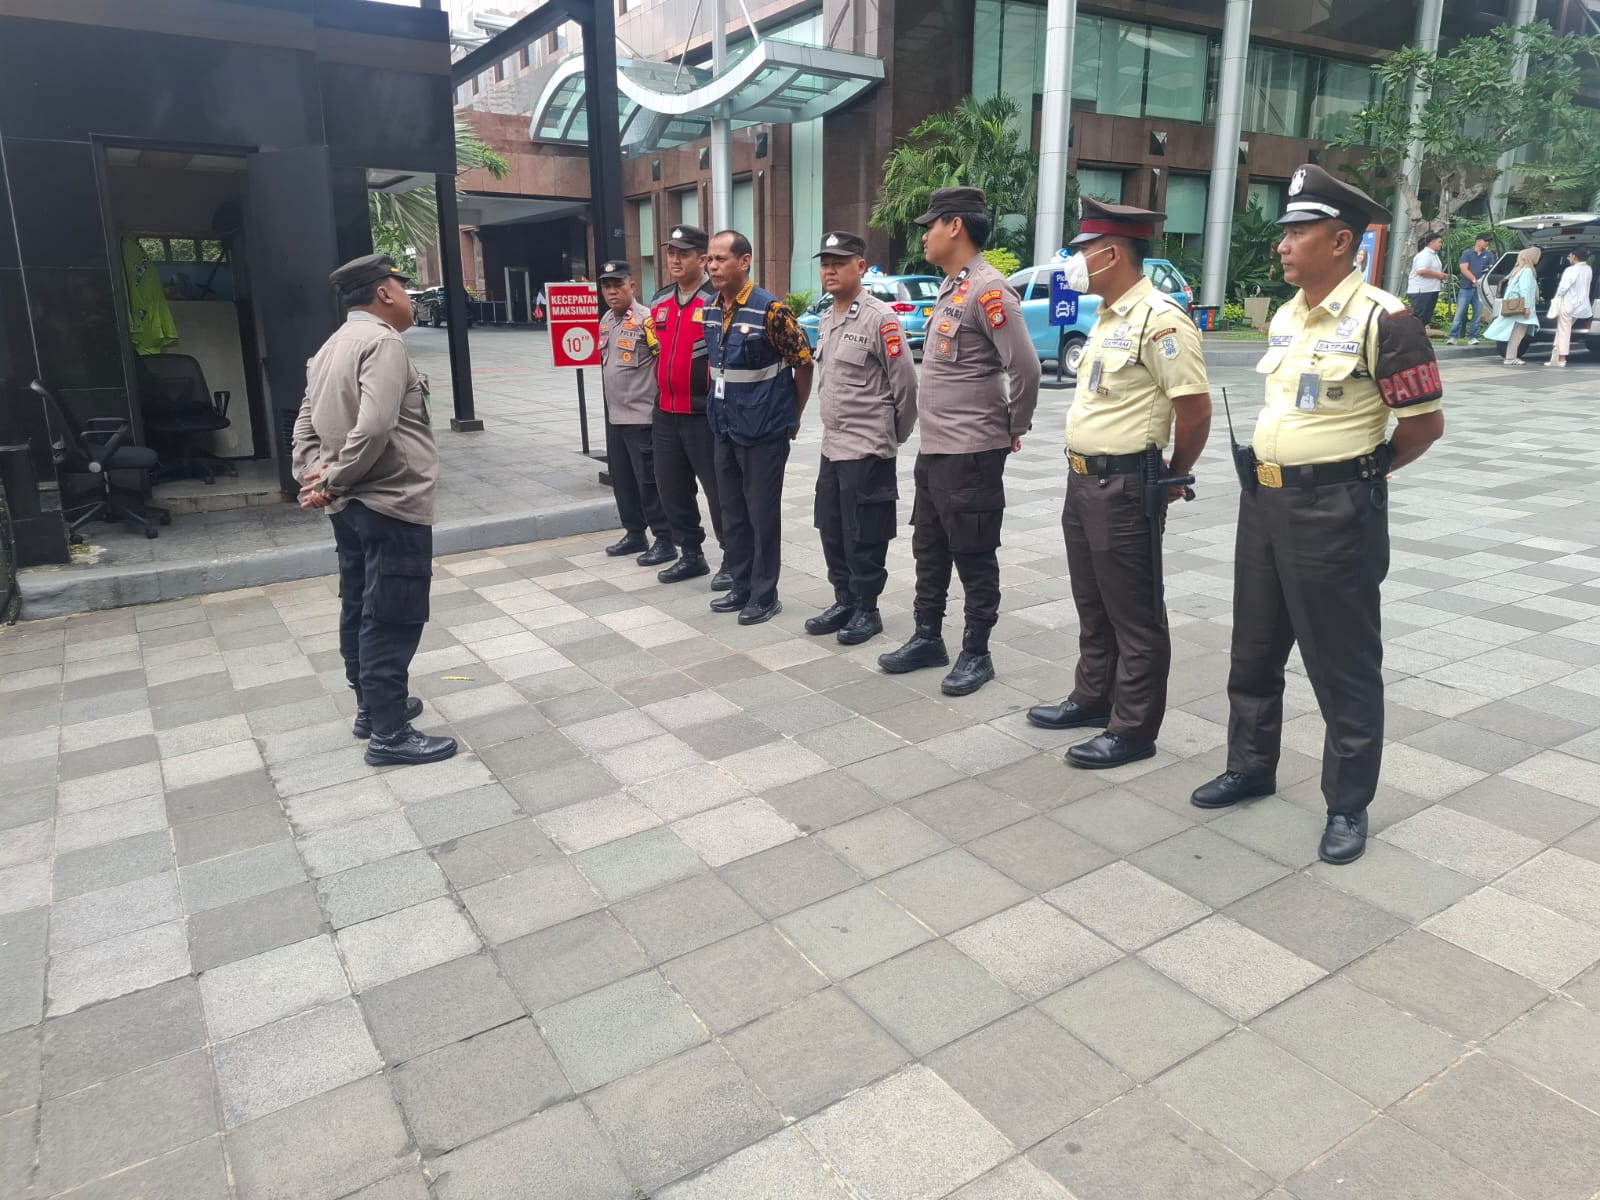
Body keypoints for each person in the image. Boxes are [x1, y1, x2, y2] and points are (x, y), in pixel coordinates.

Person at [1189, 165, 1445, 865]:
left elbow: (1423, 426)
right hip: (1264, 501)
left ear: (1339, 242)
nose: (1283, 244)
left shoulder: (1387, 321)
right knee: (1254, 647)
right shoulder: (1287, 315)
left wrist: (1360, 475)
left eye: (1298, 232)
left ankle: (1347, 805)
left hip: (1335, 510)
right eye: (1285, 232)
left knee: (1343, 662)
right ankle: (1250, 765)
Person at [1026, 199, 1212, 769]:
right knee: (1093, 600)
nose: (1074, 262)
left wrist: (1174, 473)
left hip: (1126, 483)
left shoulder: (1161, 319)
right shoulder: (1107, 316)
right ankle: (1092, 697)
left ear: (1111, 254)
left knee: (1134, 610)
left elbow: (1195, 408)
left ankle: (1133, 728)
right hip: (1083, 480)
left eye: (1083, 251)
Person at [292, 254, 457, 767]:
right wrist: (333, 478)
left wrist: (315, 476)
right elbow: (376, 426)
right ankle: (389, 733)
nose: (408, 298)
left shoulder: (329, 347)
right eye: (402, 288)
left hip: (349, 506)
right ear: (385, 293)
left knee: (360, 604)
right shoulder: (382, 342)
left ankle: (371, 708)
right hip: (391, 501)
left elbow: (305, 424)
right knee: (392, 614)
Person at [877, 186, 1041, 695]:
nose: (924, 235)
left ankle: (977, 652)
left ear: (955, 226)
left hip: (971, 452)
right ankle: (928, 637)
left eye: (930, 225)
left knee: (973, 552)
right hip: (937, 450)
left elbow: (1026, 367)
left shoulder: (990, 291)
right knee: (929, 548)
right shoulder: (953, 287)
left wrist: (1013, 427)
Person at [806, 230, 920, 645]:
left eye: (839, 263)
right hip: (832, 446)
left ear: (860, 266)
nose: (830, 270)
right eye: (825, 264)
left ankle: (867, 609)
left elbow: (905, 383)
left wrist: (895, 434)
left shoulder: (879, 318)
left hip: (868, 447)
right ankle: (845, 600)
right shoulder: (827, 318)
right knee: (831, 527)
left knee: (864, 533)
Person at [701, 230, 815, 624]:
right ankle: (742, 584)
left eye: (721, 259)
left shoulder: (771, 311)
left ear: (745, 261)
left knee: (761, 515)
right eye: (710, 259)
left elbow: (804, 363)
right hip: (725, 427)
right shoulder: (710, 309)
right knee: (732, 512)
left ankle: (765, 595)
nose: (712, 266)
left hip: (764, 430)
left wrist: (792, 417)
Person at [650, 225, 733, 589]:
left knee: (720, 492)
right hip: (666, 413)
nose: (674, 259)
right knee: (672, 488)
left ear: (702, 259)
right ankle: (691, 554)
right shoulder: (660, 301)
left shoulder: (717, 300)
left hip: (704, 415)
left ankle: (733, 557)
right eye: (671, 253)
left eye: (683, 254)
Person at [597, 261, 676, 566]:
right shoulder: (606, 320)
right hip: (615, 417)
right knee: (623, 481)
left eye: (618, 285)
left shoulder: (647, 321)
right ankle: (634, 533)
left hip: (642, 418)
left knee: (649, 482)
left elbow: (664, 362)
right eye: (606, 286)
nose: (612, 291)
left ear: (632, 286)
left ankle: (665, 539)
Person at [1483, 247, 1542, 368]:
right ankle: (1510, 357)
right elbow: (1526, 290)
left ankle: (1510, 357)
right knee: (1518, 333)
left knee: (1515, 332)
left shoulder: (1517, 270)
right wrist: (1526, 307)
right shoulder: (1527, 271)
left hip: (1515, 306)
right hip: (1523, 307)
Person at [1545, 249, 1593, 368]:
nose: (1569, 258)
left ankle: (1561, 359)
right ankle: (1555, 356)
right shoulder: (1588, 269)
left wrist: (1557, 297)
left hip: (1568, 304)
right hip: (1581, 306)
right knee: (1563, 330)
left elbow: (1563, 288)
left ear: (1574, 256)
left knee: (1563, 331)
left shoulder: (1571, 270)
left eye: (1569, 256)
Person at [1447, 234, 1494, 345]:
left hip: (1480, 289)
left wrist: (1481, 282)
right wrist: (1474, 280)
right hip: (1466, 288)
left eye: (1488, 241)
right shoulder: (1467, 253)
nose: (1487, 243)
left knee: (1477, 314)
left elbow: (1491, 269)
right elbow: (1464, 269)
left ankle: (1473, 337)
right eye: (1485, 240)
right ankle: (1453, 337)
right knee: (1460, 313)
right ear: (1478, 241)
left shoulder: (1488, 255)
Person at [1405, 231, 1448, 328]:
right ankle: (1413, 334)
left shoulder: (1434, 255)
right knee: (1418, 316)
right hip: (1421, 291)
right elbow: (1421, 271)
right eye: (1439, 242)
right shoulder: (1424, 255)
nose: (1441, 244)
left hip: (1431, 289)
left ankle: (1421, 333)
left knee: (1426, 317)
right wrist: (1439, 275)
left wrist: (1441, 276)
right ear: (1432, 242)